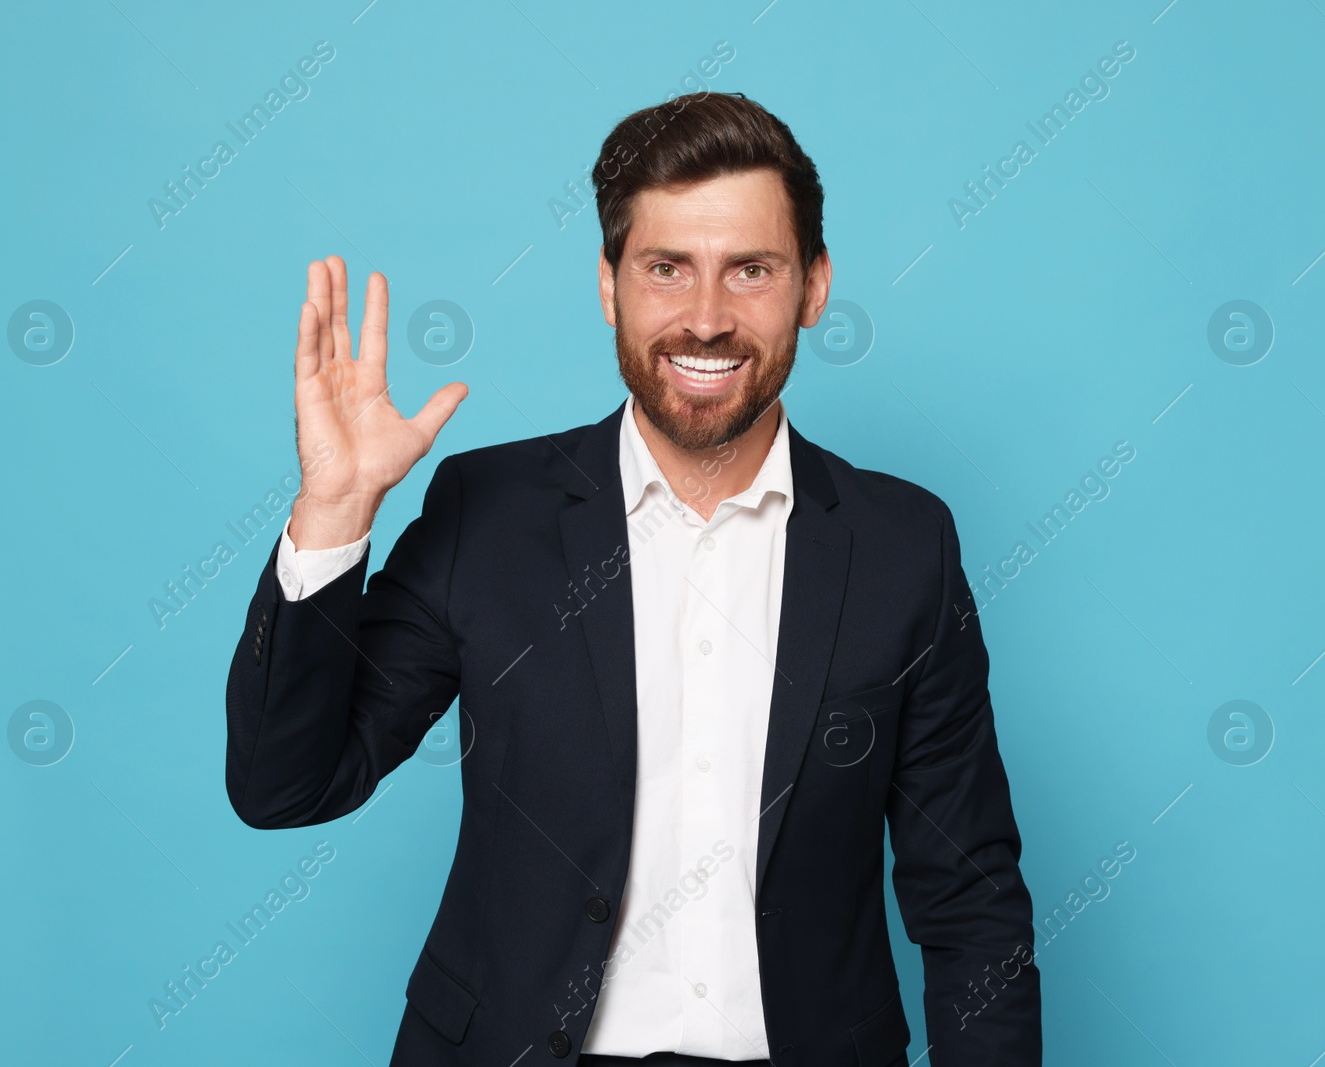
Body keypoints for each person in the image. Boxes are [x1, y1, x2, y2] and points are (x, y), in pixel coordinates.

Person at [225, 91, 1041, 1067]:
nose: (706, 317)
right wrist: (333, 514)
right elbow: (285, 784)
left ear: (813, 287)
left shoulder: (903, 544)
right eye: (666, 268)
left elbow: (972, 903)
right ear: (610, 286)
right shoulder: (489, 514)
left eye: (751, 270)